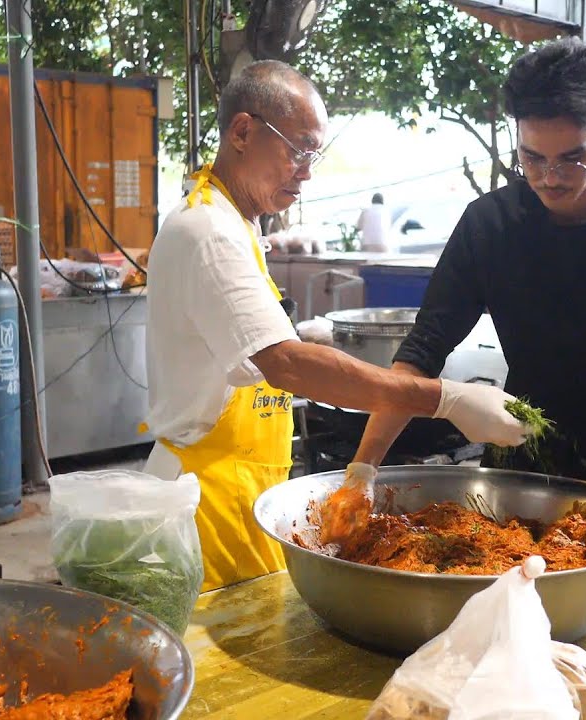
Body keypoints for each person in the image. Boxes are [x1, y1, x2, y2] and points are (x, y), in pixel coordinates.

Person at [144, 60, 529, 592]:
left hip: (236, 490)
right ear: (242, 132)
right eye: (299, 150)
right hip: (205, 505)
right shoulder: (209, 232)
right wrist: (445, 399)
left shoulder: (237, 226)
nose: (306, 171)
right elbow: (286, 364)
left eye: (313, 156)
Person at [348, 39, 586, 607]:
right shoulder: (490, 224)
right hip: (516, 469)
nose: (549, 178)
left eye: (571, 158)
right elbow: (425, 347)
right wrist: (363, 469)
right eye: (532, 158)